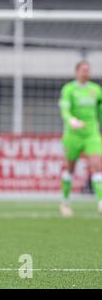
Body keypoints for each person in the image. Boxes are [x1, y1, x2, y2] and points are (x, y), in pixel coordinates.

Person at [59, 60, 102, 217]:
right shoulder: (69, 89)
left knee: (97, 166)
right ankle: (65, 202)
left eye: (88, 70)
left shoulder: (96, 90)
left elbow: (100, 111)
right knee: (70, 168)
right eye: (83, 70)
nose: (86, 72)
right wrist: (70, 120)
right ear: (76, 71)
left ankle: (101, 203)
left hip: (92, 133)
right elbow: (64, 109)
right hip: (73, 134)